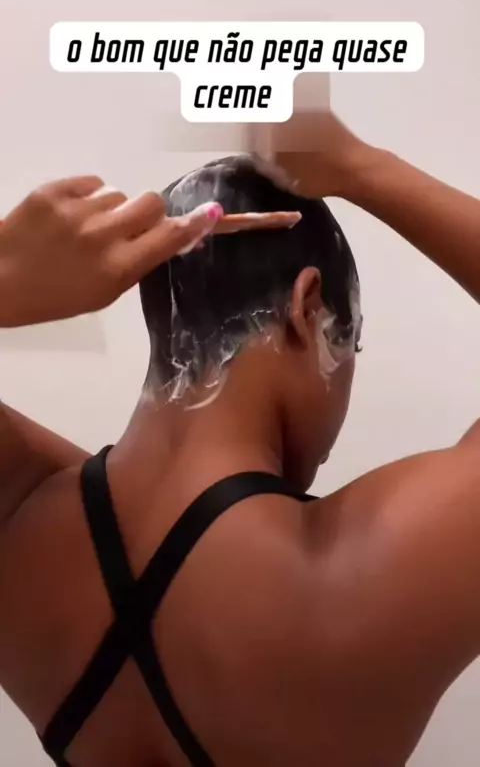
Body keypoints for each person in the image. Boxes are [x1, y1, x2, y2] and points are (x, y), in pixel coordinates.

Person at [0, 112, 478, 767]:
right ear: (309, 308)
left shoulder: (21, 522)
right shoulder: (357, 574)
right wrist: (360, 166)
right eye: (353, 344)